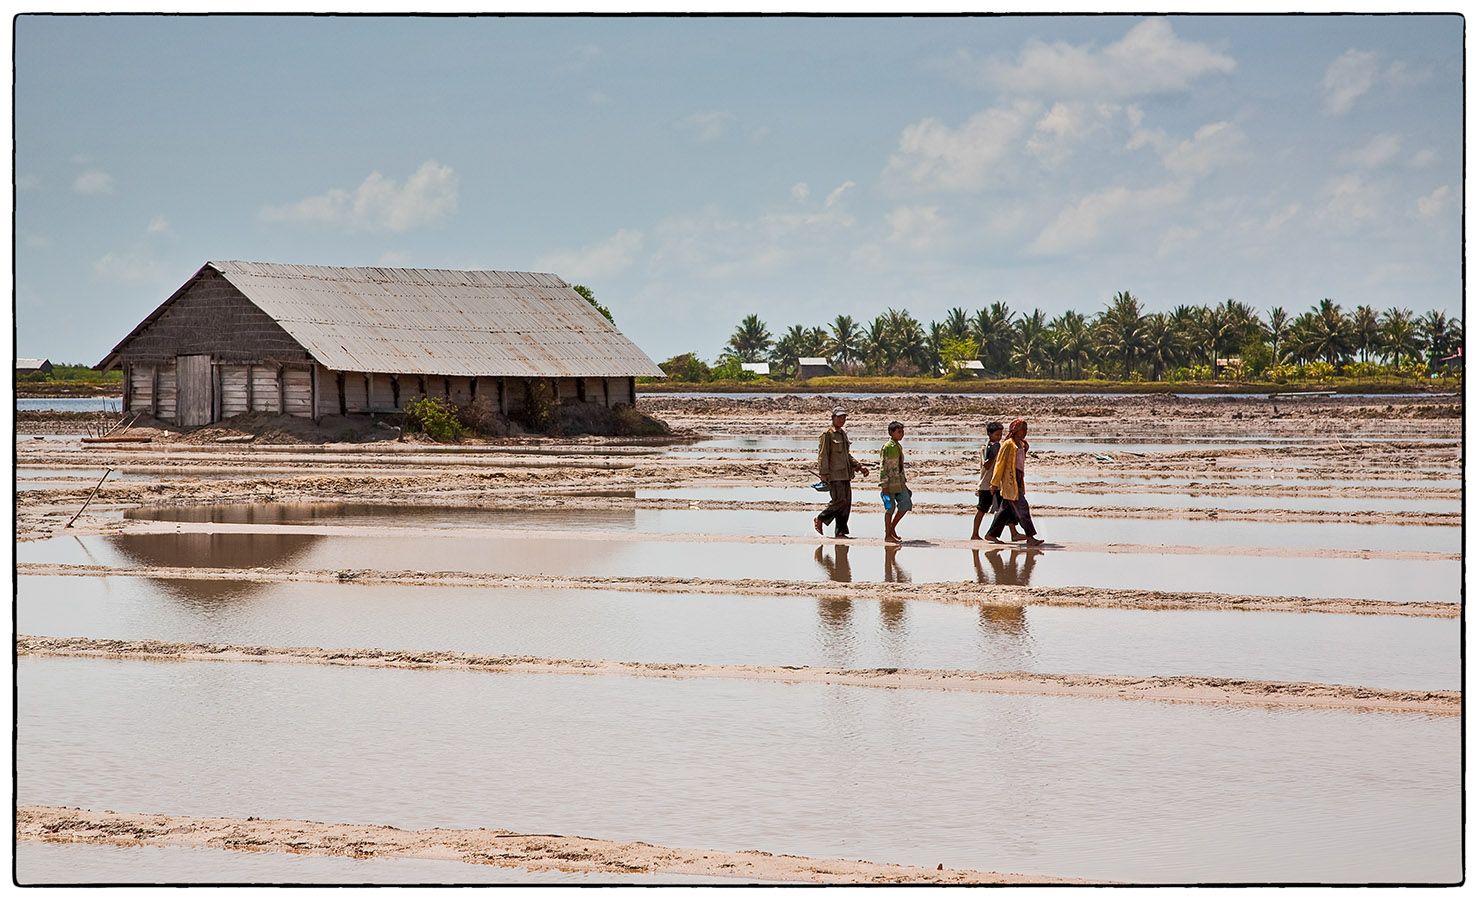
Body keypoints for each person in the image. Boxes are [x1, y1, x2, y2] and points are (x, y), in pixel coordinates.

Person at [986, 418, 1044, 546]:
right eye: (1023, 429)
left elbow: (1019, 462)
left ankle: (991, 534)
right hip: (1010, 482)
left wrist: (1025, 450)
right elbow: (1000, 464)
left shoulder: (1021, 444)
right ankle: (1030, 537)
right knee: (1023, 509)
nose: (1025, 432)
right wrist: (994, 483)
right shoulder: (1008, 444)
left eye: (1026, 429)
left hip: (1017, 480)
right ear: (1016, 430)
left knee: (1005, 510)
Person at [814, 405, 867, 538]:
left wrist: (859, 466)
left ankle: (840, 532)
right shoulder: (827, 434)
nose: (842, 419)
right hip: (834, 474)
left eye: (844, 417)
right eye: (839, 417)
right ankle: (821, 518)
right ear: (833, 418)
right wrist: (823, 473)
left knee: (846, 503)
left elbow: (846, 455)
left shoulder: (842, 434)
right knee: (839, 500)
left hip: (845, 474)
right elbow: (823, 455)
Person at [970, 422, 1021, 542]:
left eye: (1000, 435)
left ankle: (1014, 533)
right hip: (986, 485)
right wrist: (995, 453)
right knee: (982, 510)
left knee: (1004, 510)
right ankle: (975, 534)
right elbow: (987, 465)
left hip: (997, 485)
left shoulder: (998, 446)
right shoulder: (986, 448)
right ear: (989, 434)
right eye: (997, 434)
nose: (999, 437)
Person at [879, 421, 912, 543]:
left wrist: (905, 483)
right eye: (899, 432)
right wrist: (884, 485)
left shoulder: (898, 446)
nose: (901, 434)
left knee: (906, 504)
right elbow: (883, 466)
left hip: (899, 482)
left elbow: (899, 467)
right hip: (889, 483)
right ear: (891, 433)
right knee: (890, 508)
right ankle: (888, 535)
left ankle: (892, 529)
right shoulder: (888, 447)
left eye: (902, 432)